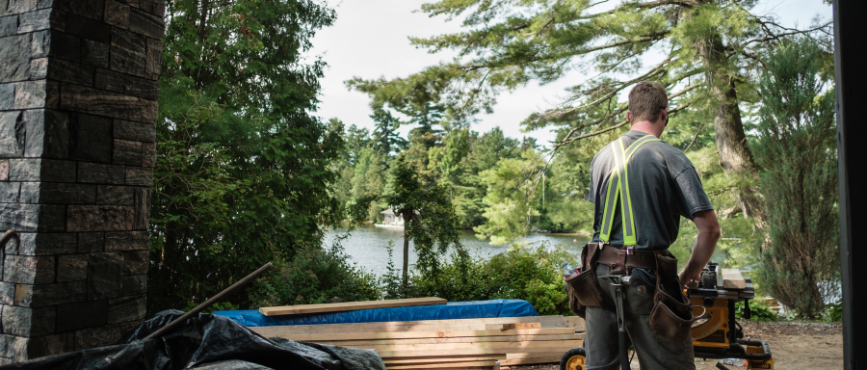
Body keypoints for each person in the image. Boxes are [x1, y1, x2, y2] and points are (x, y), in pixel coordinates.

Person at [583, 81, 721, 370]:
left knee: (600, 367)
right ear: (664, 114)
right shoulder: (669, 157)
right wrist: (688, 275)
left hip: (598, 276)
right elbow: (709, 230)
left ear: (629, 116)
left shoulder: (601, 157)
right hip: (646, 279)